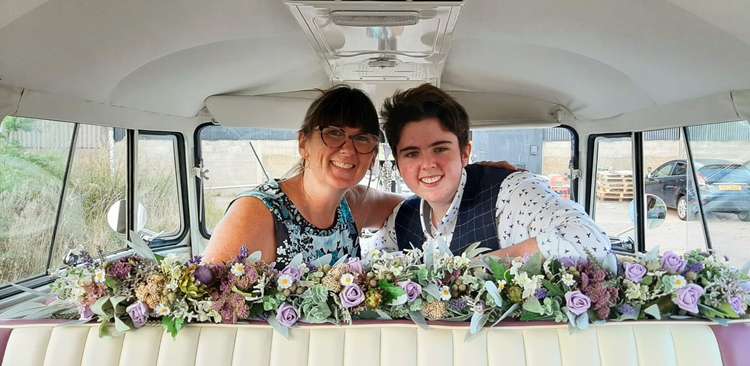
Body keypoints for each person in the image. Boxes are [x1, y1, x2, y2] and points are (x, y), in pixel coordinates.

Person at [370, 84, 610, 260]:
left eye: (440, 149)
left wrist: (477, 267)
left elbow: (590, 241)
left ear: (465, 152)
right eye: (412, 153)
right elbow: (367, 265)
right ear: (398, 163)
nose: (428, 164)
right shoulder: (402, 218)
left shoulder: (510, 194)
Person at [203, 85, 402, 267]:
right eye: (333, 133)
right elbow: (209, 300)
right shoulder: (256, 213)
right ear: (303, 143)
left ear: (373, 156)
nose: (348, 149)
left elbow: (414, 207)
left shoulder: (355, 203)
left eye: (362, 139)